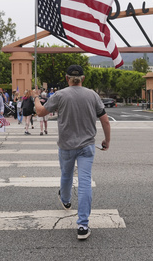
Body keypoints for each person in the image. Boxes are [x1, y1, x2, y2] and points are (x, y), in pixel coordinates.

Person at [32, 65, 111, 240]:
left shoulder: (60, 95)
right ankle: (83, 225)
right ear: (83, 79)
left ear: (67, 78)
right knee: (84, 183)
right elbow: (105, 120)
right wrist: (107, 140)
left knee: (66, 175)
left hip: (66, 146)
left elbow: (40, 112)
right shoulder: (93, 95)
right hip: (87, 147)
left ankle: (66, 200)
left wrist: (36, 98)